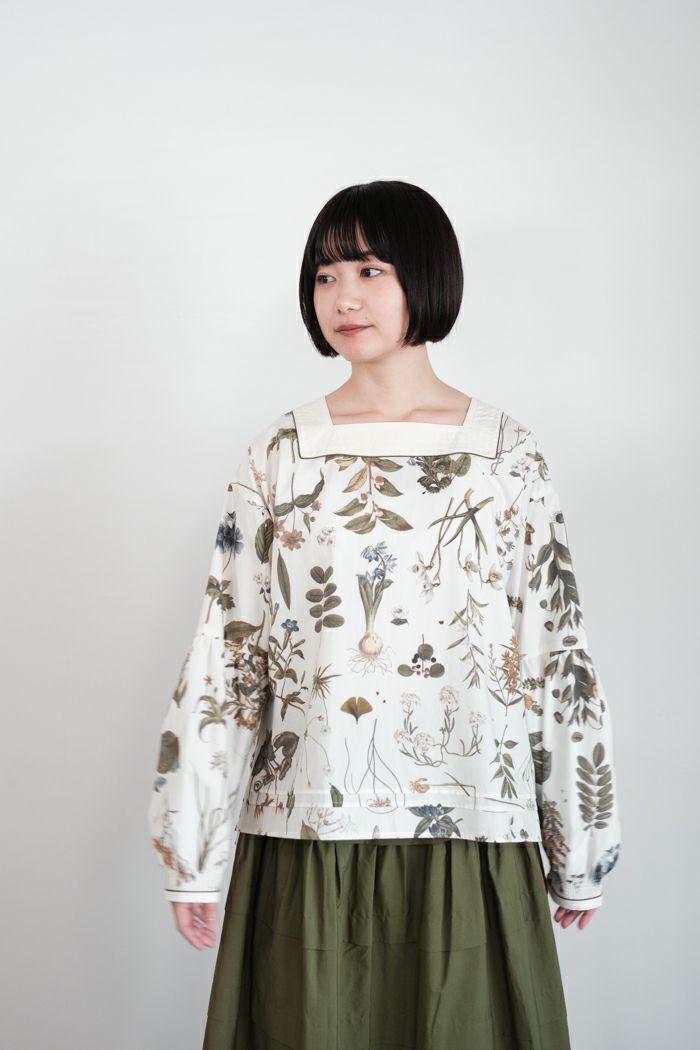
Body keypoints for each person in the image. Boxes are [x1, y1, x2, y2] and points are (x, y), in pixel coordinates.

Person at [147, 179, 622, 1049]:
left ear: (427, 277)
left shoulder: (505, 455)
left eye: (370, 269)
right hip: (308, 831)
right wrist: (194, 849)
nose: (344, 297)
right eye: (326, 275)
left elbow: (554, 654)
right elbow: (228, 651)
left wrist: (579, 846)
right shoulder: (282, 453)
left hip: (472, 831)